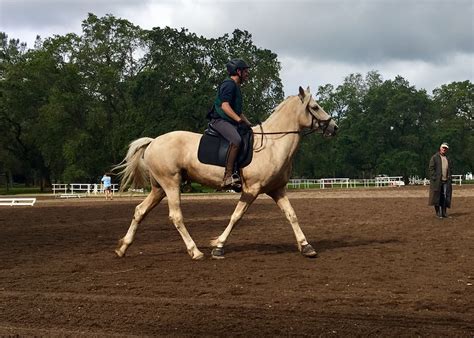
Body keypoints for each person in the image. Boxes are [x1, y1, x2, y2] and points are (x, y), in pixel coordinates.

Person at [207, 58, 252, 190]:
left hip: (229, 120)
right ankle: (228, 176)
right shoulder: (229, 85)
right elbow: (225, 106)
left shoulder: (236, 87)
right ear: (238, 71)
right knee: (236, 140)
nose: (247, 74)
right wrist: (239, 121)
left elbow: (238, 111)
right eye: (245, 71)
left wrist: (249, 125)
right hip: (219, 120)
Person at [428, 142, 453, 218]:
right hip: (437, 182)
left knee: (445, 197)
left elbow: (450, 169)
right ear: (440, 148)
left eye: (445, 148)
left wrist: (450, 176)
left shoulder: (447, 158)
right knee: (436, 197)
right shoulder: (434, 157)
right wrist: (434, 177)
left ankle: (444, 213)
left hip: (446, 181)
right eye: (443, 147)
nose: (444, 149)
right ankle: (438, 213)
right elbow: (431, 168)